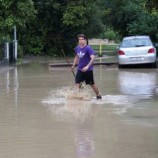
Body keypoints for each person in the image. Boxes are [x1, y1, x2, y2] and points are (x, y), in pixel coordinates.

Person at [71, 34, 102, 99]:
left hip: (88, 70)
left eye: (82, 39)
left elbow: (93, 58)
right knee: (77, 84)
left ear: (85, 40)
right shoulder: (77, 48)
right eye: (79, 39)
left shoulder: (88, 48)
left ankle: (98, 95)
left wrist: (87, 66)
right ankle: (77, 98)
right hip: (80, 69)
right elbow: (76, 57)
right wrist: (73, 65)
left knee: (92, 84)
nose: (81, 41)